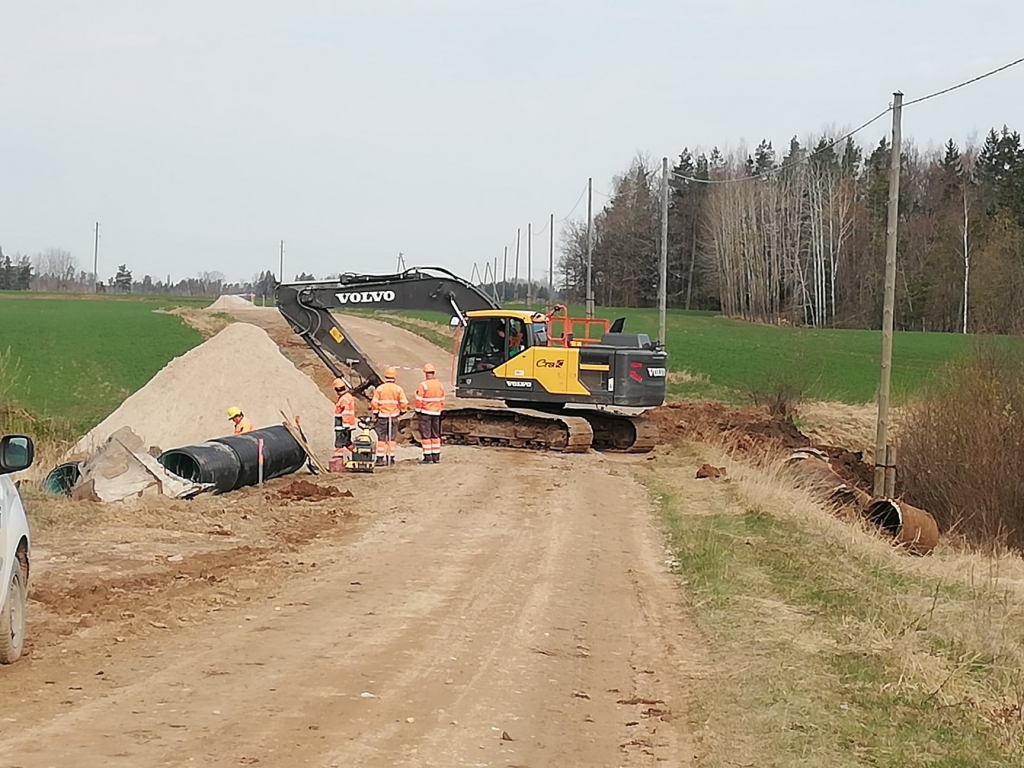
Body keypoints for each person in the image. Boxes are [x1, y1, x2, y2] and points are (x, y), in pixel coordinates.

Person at [370, 366, 408, 466]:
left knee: (381, 439)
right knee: (391, 439)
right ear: (394, 377)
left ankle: (379, 458)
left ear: (385, 377)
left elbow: (374, 403)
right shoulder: (398, 389)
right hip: (394, 416)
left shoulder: (380, 389)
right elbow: (404, 402)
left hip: (382, 416)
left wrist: (376, 412)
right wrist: (402, 411)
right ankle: (391, 458)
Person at [414, 363, 446, 464]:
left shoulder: (423, 385)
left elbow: (419, 400)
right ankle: (436, 457)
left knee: (426, 435)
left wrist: (418, 411)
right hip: (436, 413)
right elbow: (442, 400)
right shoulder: (439, 385)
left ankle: (428, 457)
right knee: (435, 435)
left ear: (426, 373)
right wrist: (440, 409)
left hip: (425, 413)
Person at [333, 378, 357, 461]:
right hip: (347, 425)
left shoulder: (344, 399)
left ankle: (337, 461)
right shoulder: (347, 397)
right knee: (347, 442)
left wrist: (345, 425)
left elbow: (346, 412)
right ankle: (358, 454)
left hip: (342, 426)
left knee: (339, 444)